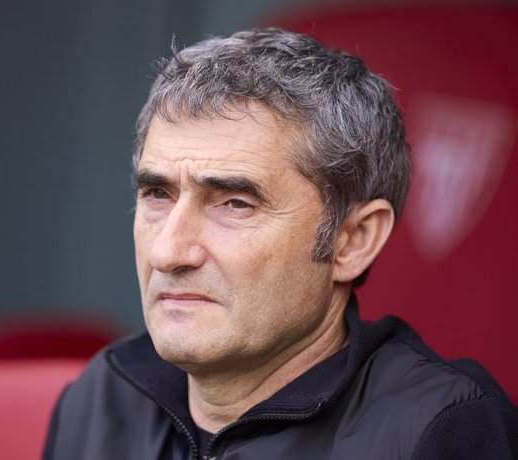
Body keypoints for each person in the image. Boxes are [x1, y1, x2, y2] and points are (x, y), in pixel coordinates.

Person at [43, 28, 518, 459]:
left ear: (353, 240)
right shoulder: (101, 399)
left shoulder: (441, 429)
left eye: (234, 204)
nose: (168, 252)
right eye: (157, 194)